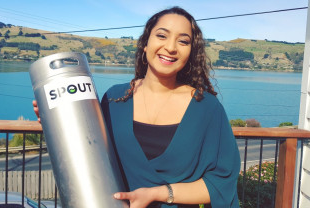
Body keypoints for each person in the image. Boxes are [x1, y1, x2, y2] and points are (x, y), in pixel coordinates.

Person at [34, 6, 240, 208]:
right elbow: (90, 148)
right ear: (145, 43)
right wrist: (57, 122)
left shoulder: (206, 108)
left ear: (191, 53)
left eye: (183, 41)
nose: (171, 47)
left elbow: (222, 182)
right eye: (162, 36)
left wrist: (158, 193)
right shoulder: (115, 98)